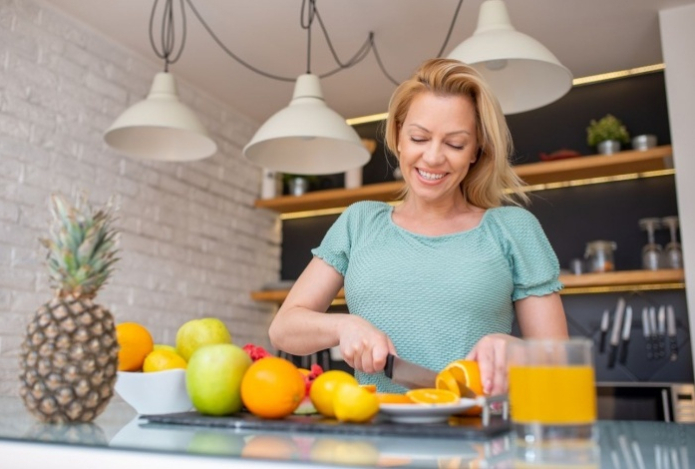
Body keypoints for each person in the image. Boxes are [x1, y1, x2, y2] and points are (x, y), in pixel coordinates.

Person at [268, 58, 568, 396]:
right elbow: (284, 328)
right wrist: (344, 326)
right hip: (376, 438)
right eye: (419, 138)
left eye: (455, 143)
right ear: (398, 137)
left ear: (476, 151)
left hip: (479, 441)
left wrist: (517, 351)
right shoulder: (359, 222)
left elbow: (561, 366)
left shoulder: (514, 230)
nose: (434, 157)